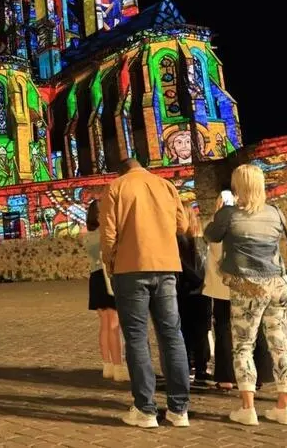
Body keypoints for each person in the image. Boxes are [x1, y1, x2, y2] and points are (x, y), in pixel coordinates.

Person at [99, 158, 191, 429]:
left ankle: (145, 409)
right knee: (172, 335)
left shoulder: (116, 187)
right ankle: (179, 409)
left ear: (122, 171)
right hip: (166, 267)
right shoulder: (166, 185)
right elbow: (182, 226)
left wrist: (110, 263)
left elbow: (108, 234)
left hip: (131, 268)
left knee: (137, 338)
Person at [205, 164, 287, 426]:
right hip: (278, 283)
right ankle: (283, 408)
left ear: (238, 186)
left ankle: (248, 408)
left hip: (248, 286)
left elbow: (211, 235)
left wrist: (219, 214)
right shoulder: (276, 212)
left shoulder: (230, 214)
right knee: (280, 344)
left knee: (244, 346)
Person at [204, 190, 275, 392]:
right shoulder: (247, 221)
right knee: (254, 327)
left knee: (225, 329)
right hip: (248, 284)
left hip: (223, 286)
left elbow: (214, 250)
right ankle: (259, 374)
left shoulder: (217, 224)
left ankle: (226, 376)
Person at [84, 201, 126, 381]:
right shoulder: (105, 234)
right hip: (107, 277)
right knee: (114, 325)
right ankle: (118, 367)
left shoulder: (88, 236)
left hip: (95, 278)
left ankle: (107, 365)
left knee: (104, 325)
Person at [176, 207, 211, 383]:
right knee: (202, 331)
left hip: (183, 291)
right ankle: (201, 367)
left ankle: (187, 365)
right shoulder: (203, 241)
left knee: (184, 330)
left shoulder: (176, 240)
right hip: (203, 290)